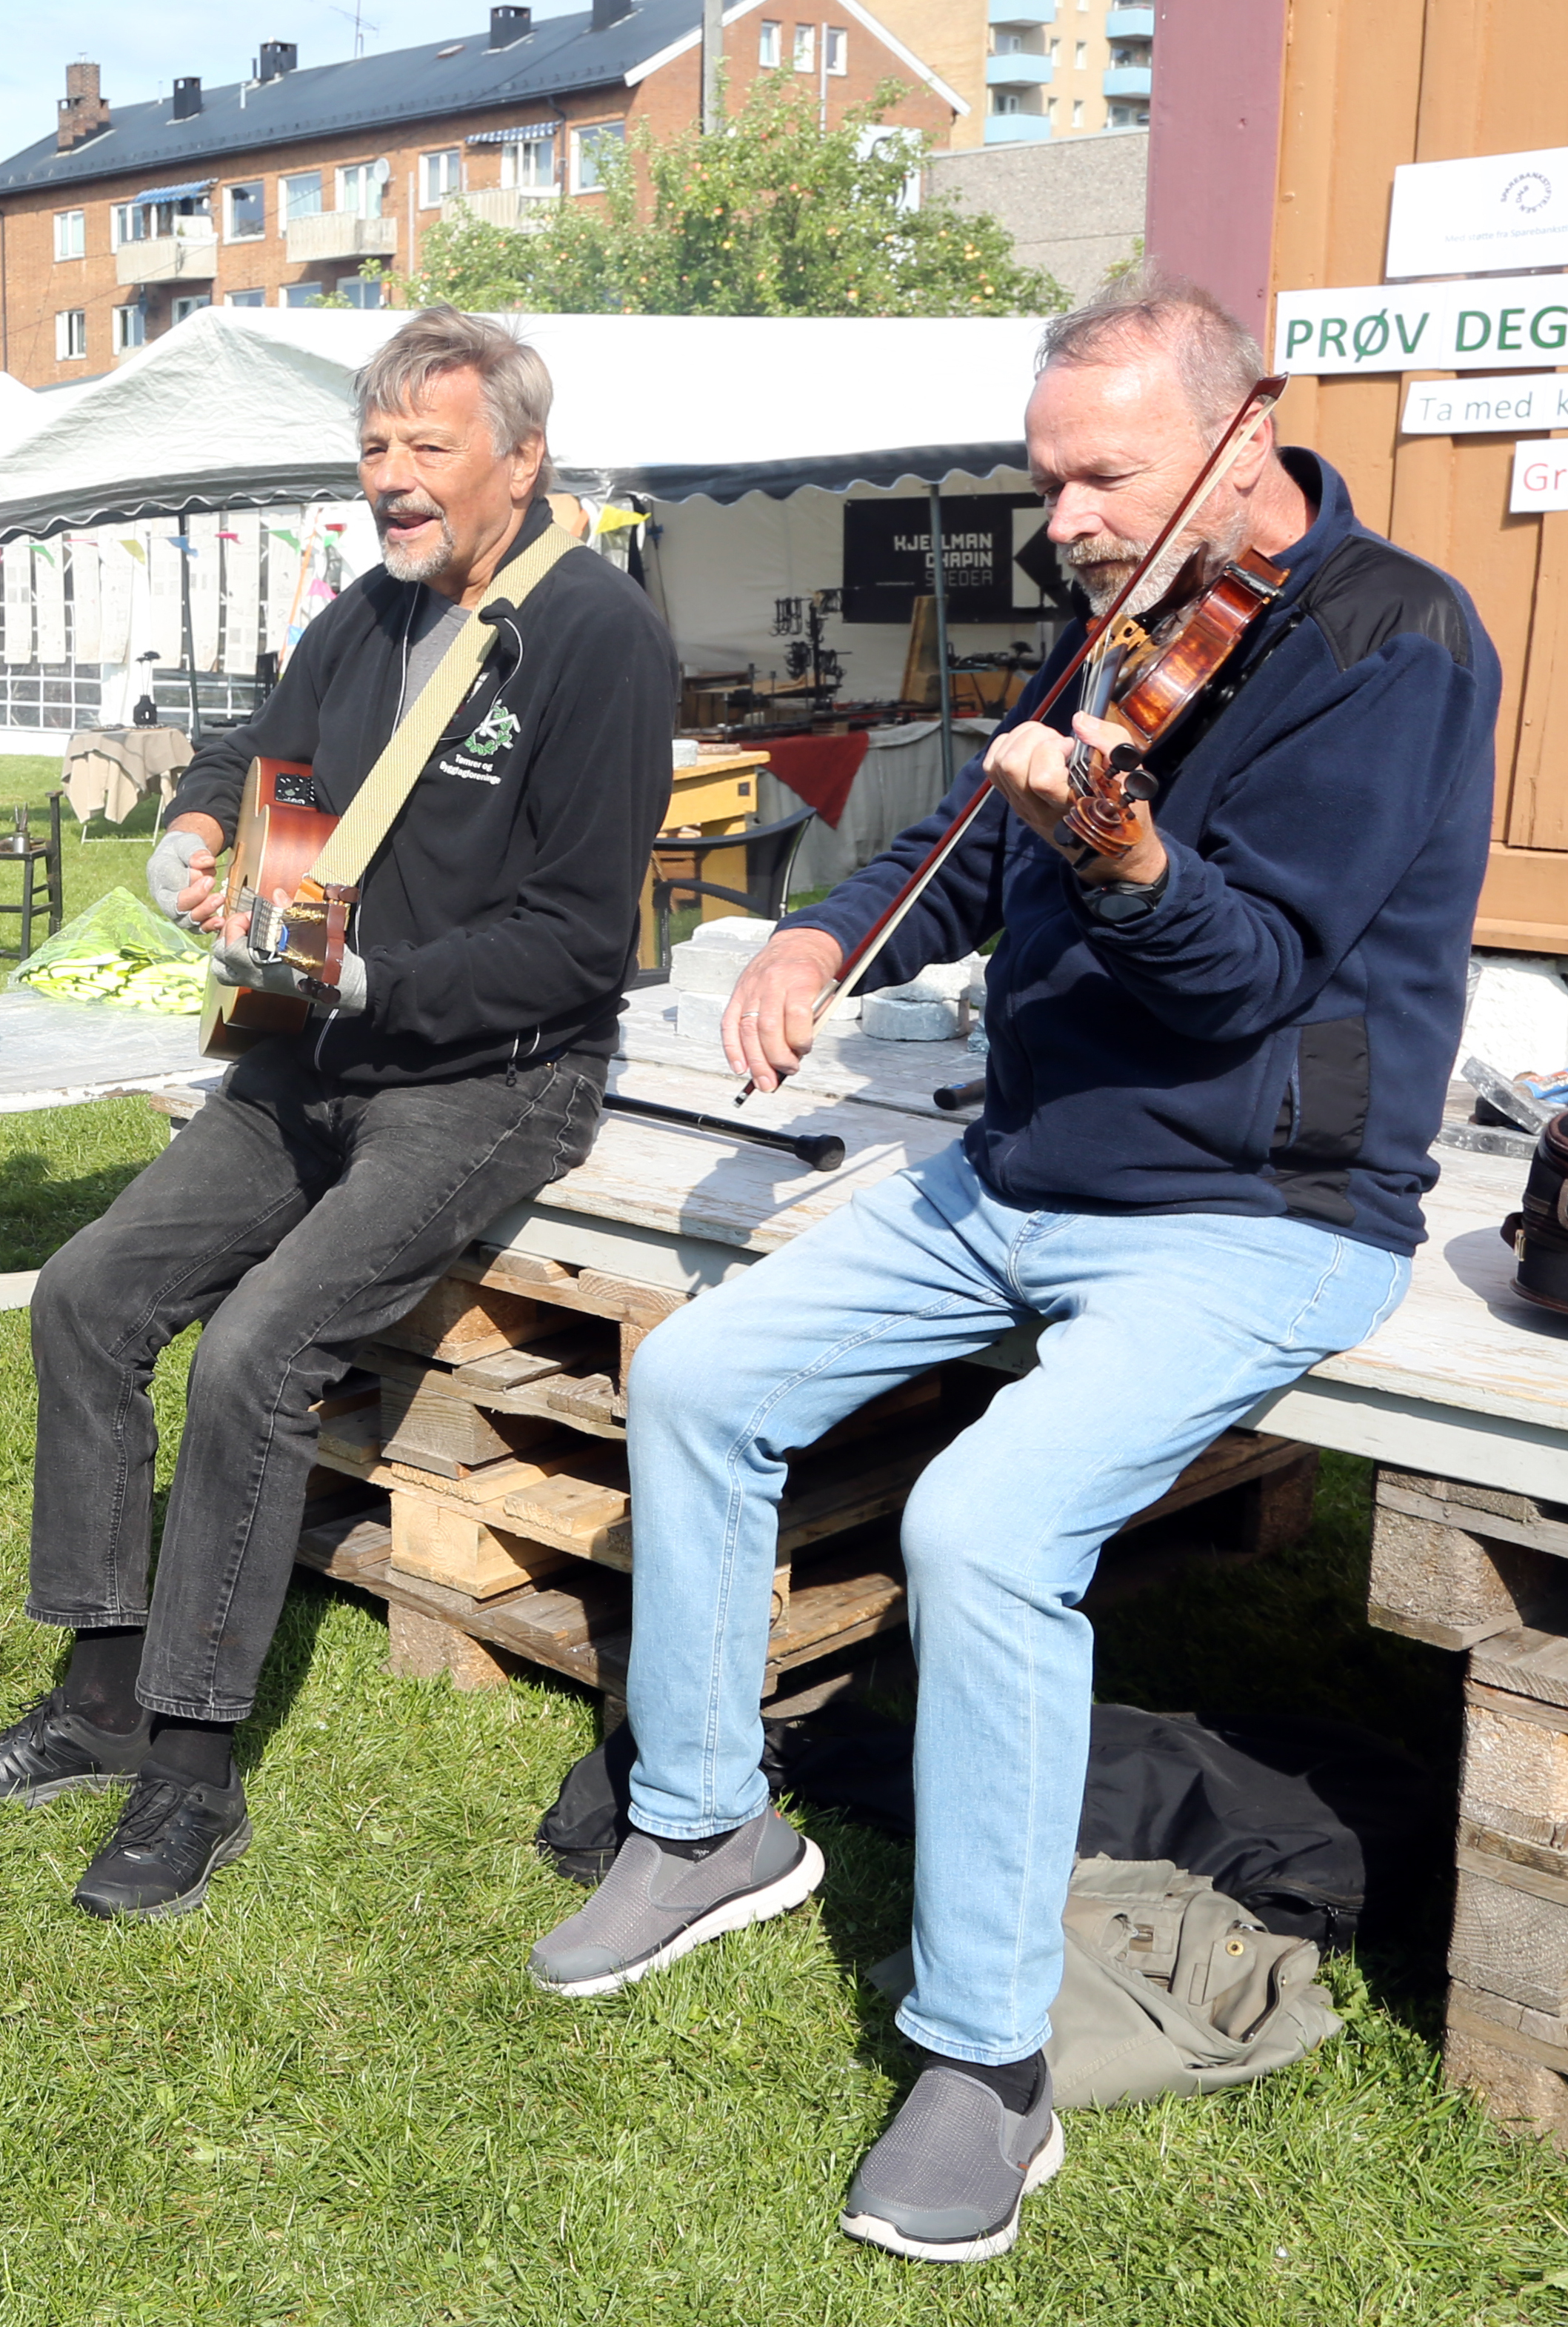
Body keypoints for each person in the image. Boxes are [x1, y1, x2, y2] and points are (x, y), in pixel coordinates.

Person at [527, 274, 1495, 2265]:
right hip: (1024, 1164)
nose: (1055, 517)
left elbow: (1241, 970)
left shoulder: (1396, 644)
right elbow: (976, 830)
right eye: (1043, 475)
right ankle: (708, 1815)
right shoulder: (1124, 616)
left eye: (1095, 476)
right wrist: (821, 927)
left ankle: (985, 2058)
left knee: (979, 1519)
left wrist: (1126, 860)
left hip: (1261, 1206)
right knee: (703, 1377)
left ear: (1239, 442)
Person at [0, 309, 674, 1920]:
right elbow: (246, 760)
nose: (390, 482)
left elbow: (575, 933)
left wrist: (373, 984)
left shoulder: (595, 634)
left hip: (490, 1076)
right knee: (84, 1295)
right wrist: (199, 828)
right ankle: (103, 1696)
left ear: (518, 461)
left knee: (259, 1352)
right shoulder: (359, 620)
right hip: (305, 1052)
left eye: (426, 449)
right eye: (373, 450)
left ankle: (192, 1777)